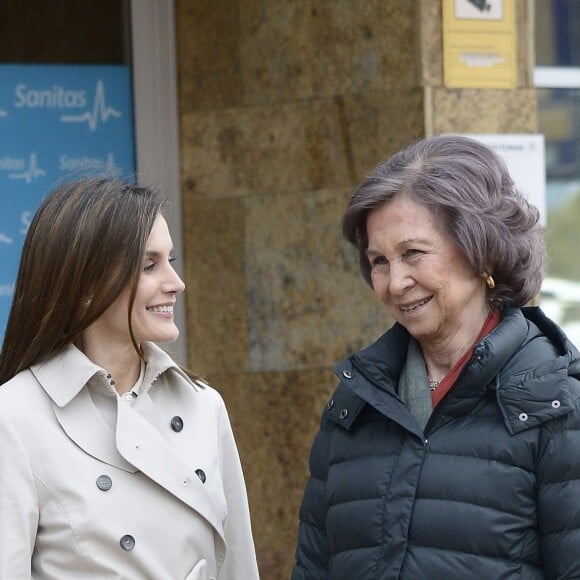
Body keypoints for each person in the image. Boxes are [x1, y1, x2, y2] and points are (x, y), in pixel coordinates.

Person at [291, 135, 580, 579]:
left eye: (413, 254)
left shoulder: (555, 402)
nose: (396, 282)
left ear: (479, 249)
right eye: (379, 261)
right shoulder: (355, 403)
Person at [0, 177, 260, 579]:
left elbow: (239, 567)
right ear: (86, 286)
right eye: (149, 265)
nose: (176, 284)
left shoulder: (203, 405)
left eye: (170, 261)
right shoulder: (15, 417)